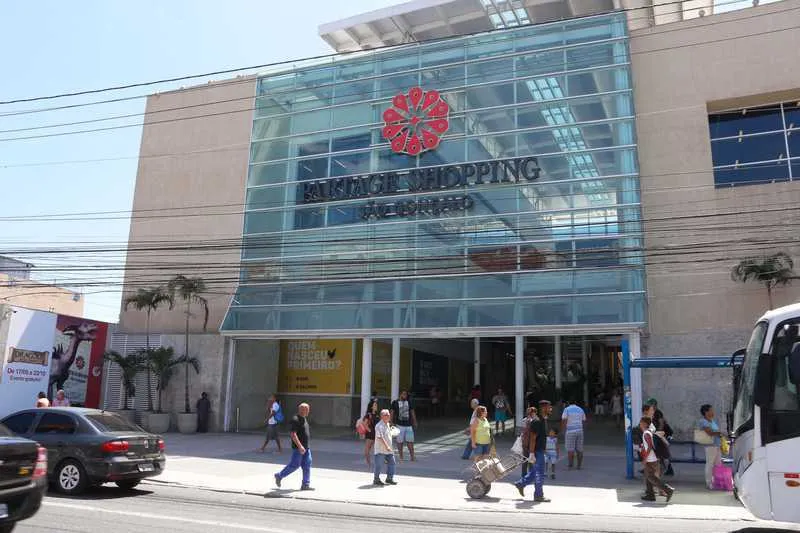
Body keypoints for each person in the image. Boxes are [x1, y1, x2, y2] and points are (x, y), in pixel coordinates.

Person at [514, 399, 553, 503]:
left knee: (535, 471)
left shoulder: (542, 419)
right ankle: (538, 495)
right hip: (536, 451)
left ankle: (521, 483)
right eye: (549, 407)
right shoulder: (537, 421)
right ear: (543, 408)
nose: (550, 409)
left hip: (540, 450)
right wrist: (531, 453)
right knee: (539, 473)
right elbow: (533, 438)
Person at [274, 402, 313, 491]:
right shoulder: (295, 419)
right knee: (294, 465)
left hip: (306, 448)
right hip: (298, 448)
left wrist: (305, 446)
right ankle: (279, 476)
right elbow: (293, 434)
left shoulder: (304, 419)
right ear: (301, 410)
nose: (308, 411)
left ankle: (305, 484)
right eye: (306, 409)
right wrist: (300, 446)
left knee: (307, 465)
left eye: (308, 409)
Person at [639, 416, 674, 502]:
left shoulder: (646, 433)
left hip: (650, 459)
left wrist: (645, 458)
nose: (640, 424)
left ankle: (668, 489)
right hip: (651, 458)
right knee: (648, 476)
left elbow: (649, 446)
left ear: (644, 424)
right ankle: (650, 495)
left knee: (651, 477)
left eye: (641, 423)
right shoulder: (649, 432)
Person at [698, 404, 722, 490]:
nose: (713, 412)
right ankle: (709, 482)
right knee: (710, 464)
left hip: (716, 445)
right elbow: (709, 432)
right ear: (706, 412)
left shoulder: (712, 421)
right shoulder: (703, 421)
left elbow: (715, 431)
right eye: (711, 410)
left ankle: (717, 481)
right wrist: (719, 433)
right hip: (710, 445)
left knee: (718, 464)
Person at [372, 409, 397, 486]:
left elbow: (388, 435)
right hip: (381, 450)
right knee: (378, 465)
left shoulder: (388, 424)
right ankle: (376, 479)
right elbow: (380, 437)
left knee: (392, 463)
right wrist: (387, 446)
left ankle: (389, 478)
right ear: (382, 416)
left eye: (389, 414)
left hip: (389, 449)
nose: (389, 416)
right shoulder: (379, 426)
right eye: (386, 415)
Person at [391, 390, 417, 461]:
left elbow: (412, 412)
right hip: (399, 425)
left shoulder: (409, 402)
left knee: (410, 441)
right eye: (404, 394)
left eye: (406, 394)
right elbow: (392, 412)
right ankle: (401, 457)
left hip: (409, 425)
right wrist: (391, 422)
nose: (405, 395)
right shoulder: (395, 402)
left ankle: (412, 456)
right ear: (400, 394)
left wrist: (415, 421)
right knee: (400, 442)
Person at [561, 398, 587, 469]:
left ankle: (570, 464)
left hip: (570, 431)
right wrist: (582, 429)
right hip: (579, 430)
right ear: (575, 402)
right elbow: (584, 420)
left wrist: (563, 430)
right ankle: (579, 465)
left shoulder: (566, 409)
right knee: (579, 449)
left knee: (570, 449)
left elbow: (564, 420)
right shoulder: (580, 409)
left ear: (568, 403)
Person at [520, 406, 538, 476]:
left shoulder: (534, 420)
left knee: (529, 460)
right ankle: (526, 475)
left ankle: (527, 475)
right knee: (527, 459)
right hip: (528, 443)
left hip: (530, 443)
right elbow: (523, 431)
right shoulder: (527, 420)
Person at [362, 397, 379, 468]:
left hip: (377, 433)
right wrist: (369, 430)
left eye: (376, 405)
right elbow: (364, 423)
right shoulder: (368, 415)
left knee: (378, 449)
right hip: (371, 434)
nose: (376, 406)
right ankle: (368, 463)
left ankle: (377, 462)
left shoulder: (377, 414)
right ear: (371, 407)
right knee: (367, 449)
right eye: (375, 405)